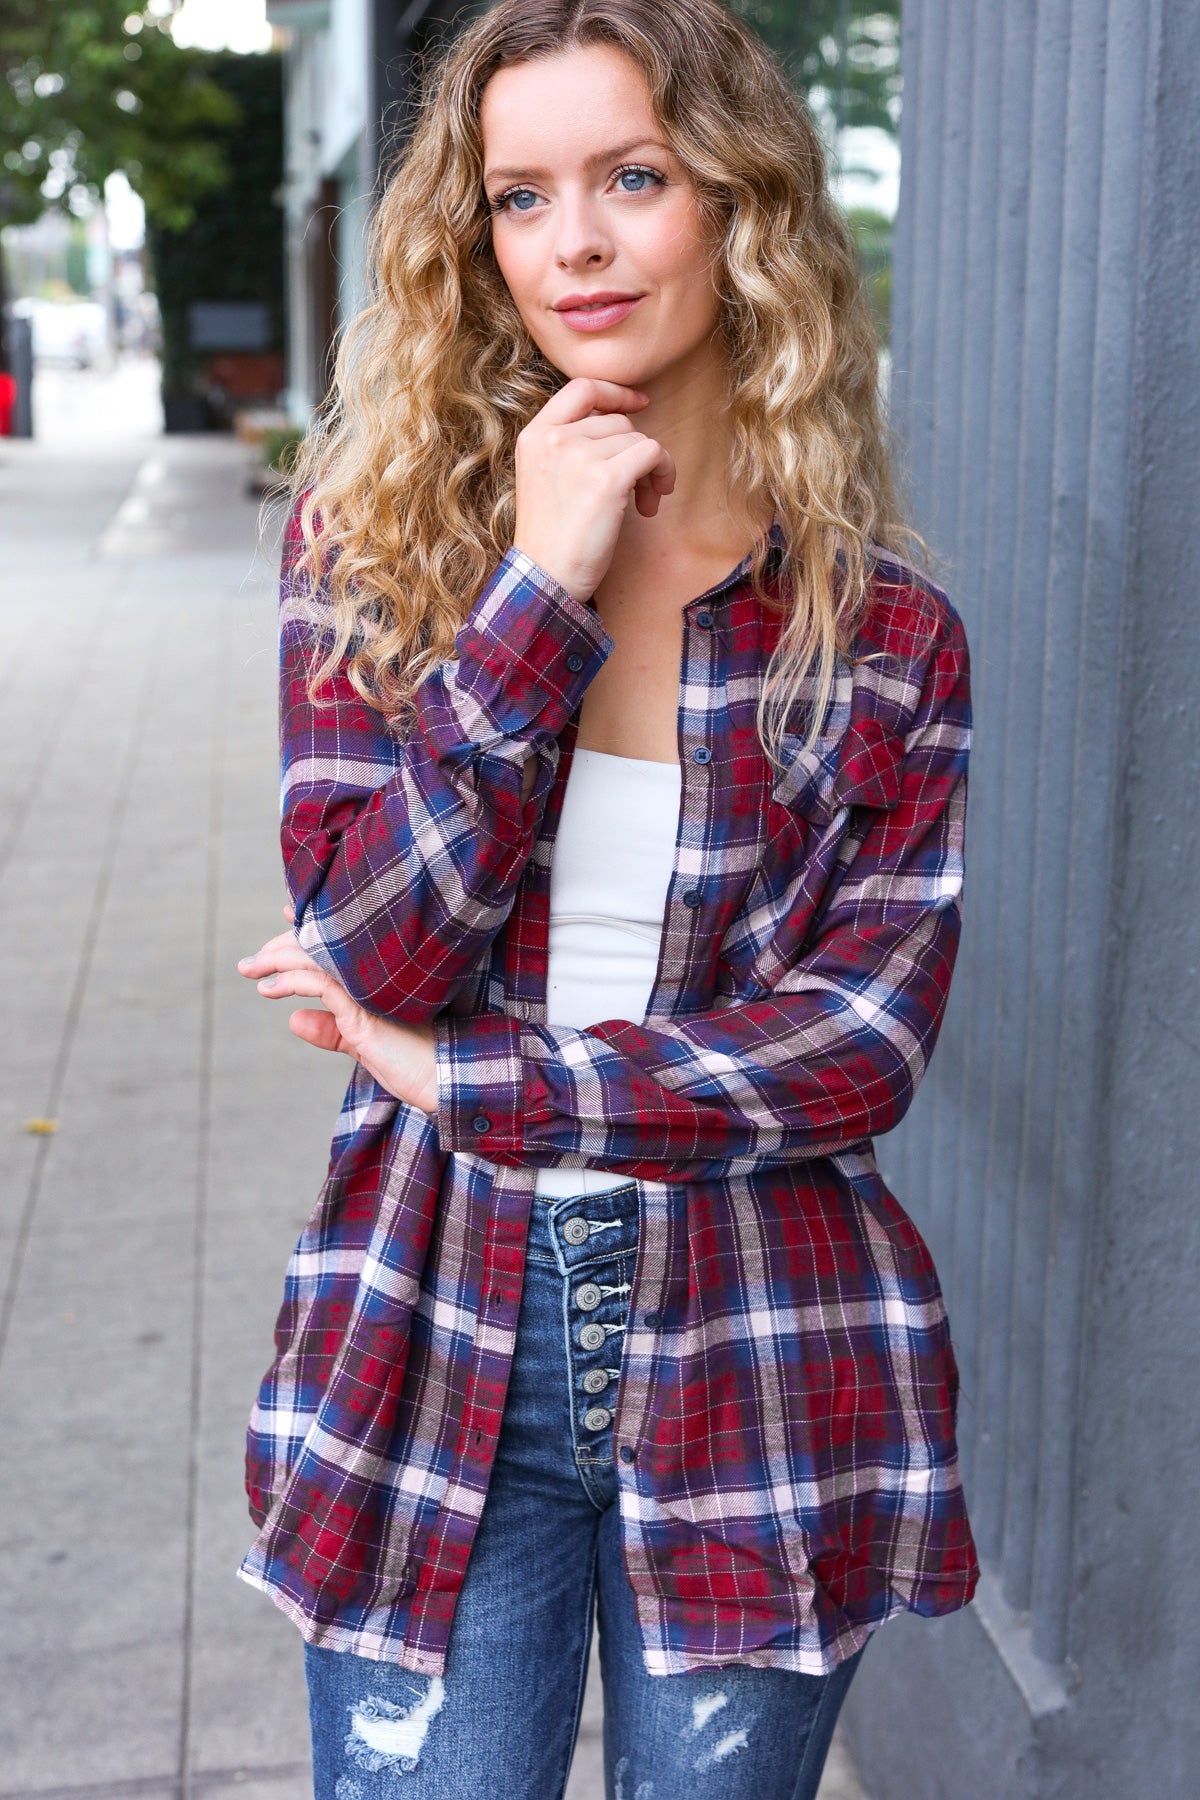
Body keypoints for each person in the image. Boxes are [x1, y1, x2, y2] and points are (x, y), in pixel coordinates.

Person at [236, 2, 978, 1794]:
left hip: (765, 1343)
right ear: (473, 239)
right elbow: (372, 939)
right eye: (519, 195)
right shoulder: (373, 553)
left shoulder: (880, 634)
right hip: (430, 1328)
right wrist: (538, 594)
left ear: (740, 206)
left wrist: (475, 1079)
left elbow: (855, 1053)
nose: (572, 241)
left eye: (632, 177)